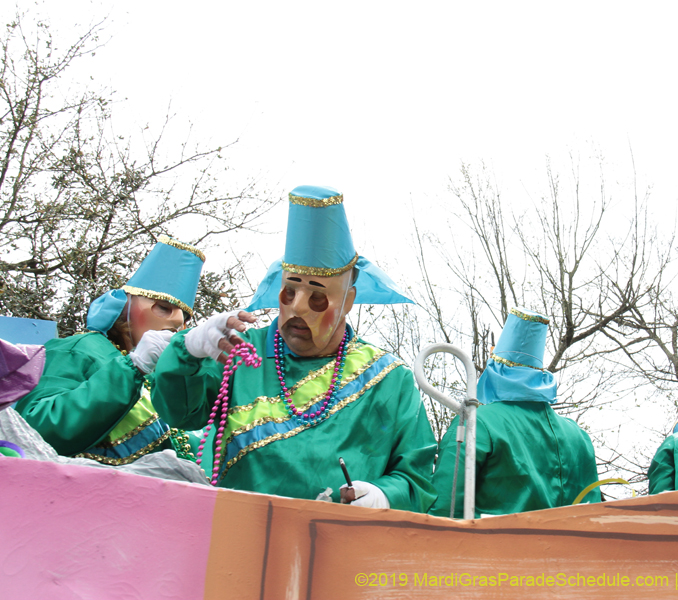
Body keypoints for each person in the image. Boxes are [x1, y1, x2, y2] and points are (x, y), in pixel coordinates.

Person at [152, 185, 437, 511]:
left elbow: (417, 478)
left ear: (347, 302)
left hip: (339, 538)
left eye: (317, 297)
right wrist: (187, 351)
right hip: (235, 533)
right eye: (289, 291)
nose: (298, 308)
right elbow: (179, 412)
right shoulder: (239, 353)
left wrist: (385, 496)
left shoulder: (388, 379)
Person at [15, 236, 205, 464]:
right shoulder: (81, 347)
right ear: (126, 307)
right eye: (164, 308)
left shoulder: (162, 382)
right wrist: (133, 367)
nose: (177, 322)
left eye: (185, 319)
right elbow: (36, 429)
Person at [430, 308, 602, 518]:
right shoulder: (579, 436)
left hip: (492, 540)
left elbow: (445, 509)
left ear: (495, 371)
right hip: (572, 540)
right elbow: (593, 513)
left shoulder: (477, 422)